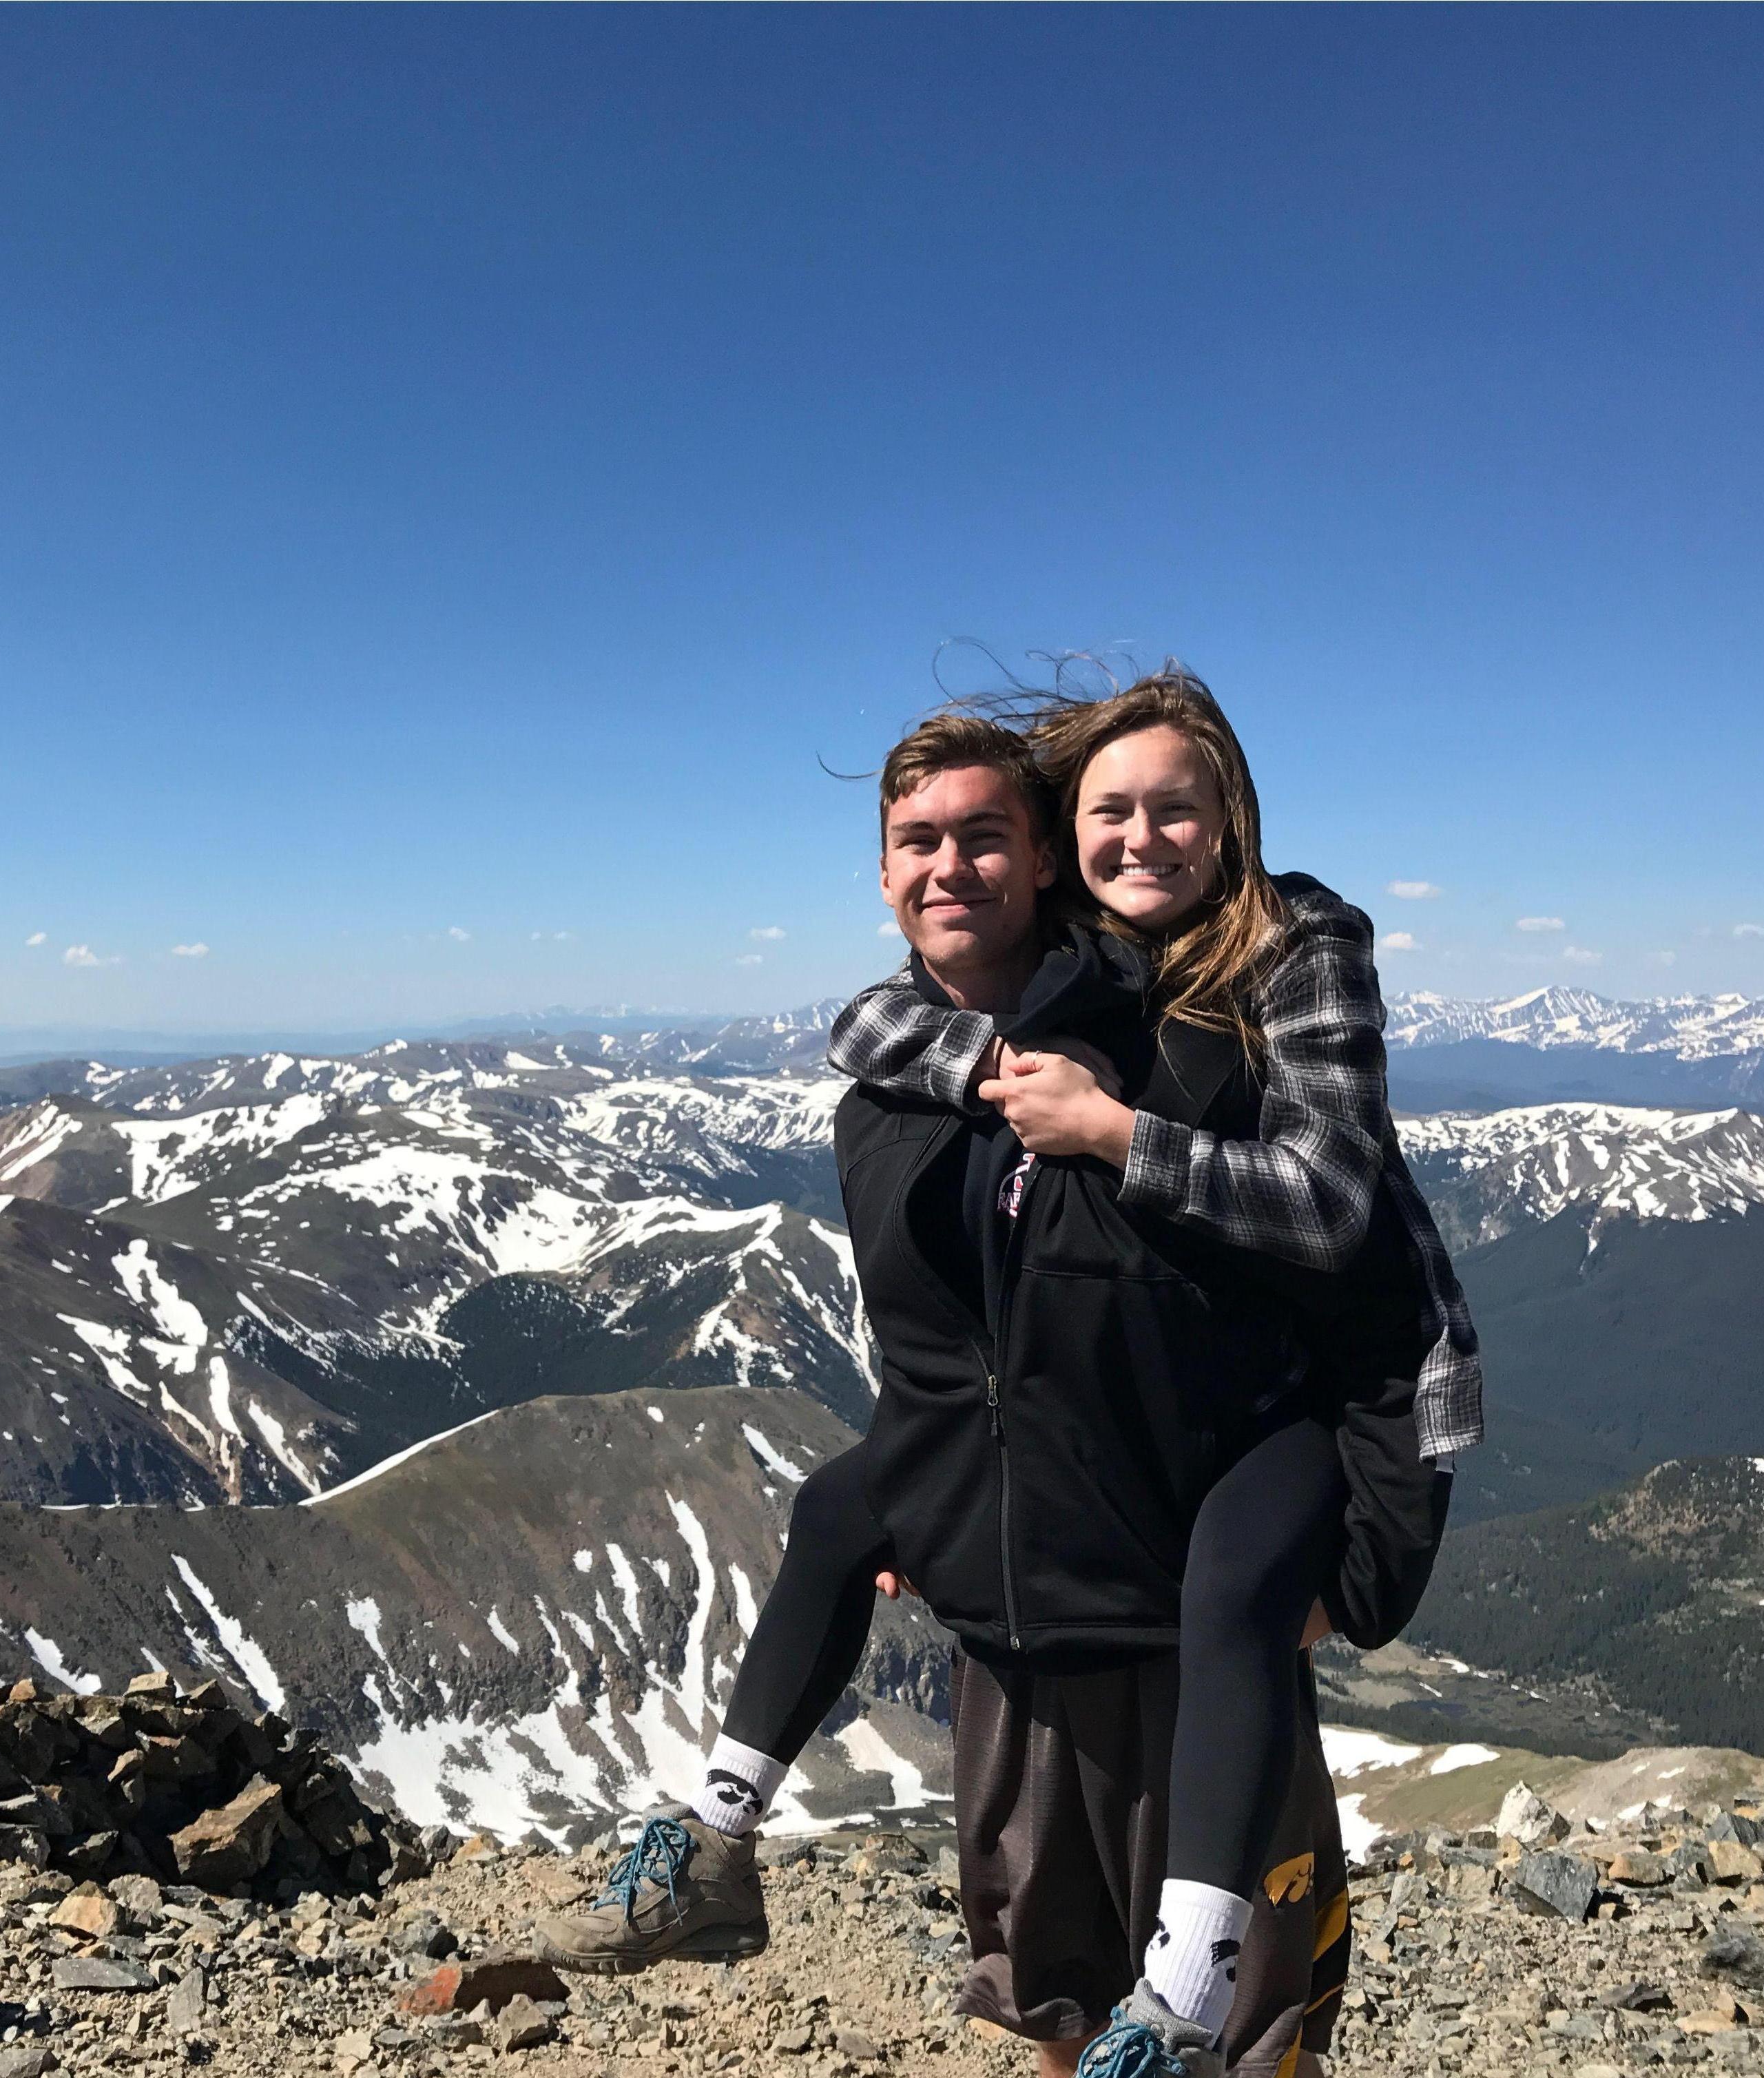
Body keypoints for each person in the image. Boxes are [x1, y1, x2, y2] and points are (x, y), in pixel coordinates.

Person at [539, 696, 1457, 2076]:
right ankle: (718, 1838)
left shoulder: (1271, 967)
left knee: (1239, 2023)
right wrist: (945, 1479)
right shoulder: (1038, 1006)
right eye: (1110, 810)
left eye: (1174, 807)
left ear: (1232, 823)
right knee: (1044, 1991)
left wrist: (1110, 1130)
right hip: (1029, 1602)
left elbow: (1321, 1220)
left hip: (1222, 1507)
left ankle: (1198, 1992)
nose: (1139, 837)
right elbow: (880, 1044)